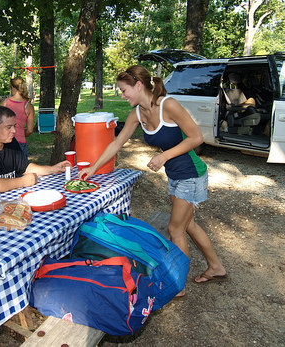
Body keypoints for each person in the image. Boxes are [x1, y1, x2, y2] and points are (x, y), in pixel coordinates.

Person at [78, 65, 226, 295]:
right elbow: (117, 143)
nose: (122, 95)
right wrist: (93, 168)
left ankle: (177, 286)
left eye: (124, 90)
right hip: (175, 175)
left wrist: (164, 156)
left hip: (192, 173)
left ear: (138, 85)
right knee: (188, 225)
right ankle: (216, 266)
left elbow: (197, 137)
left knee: (175, 229)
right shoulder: (136, 113)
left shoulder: (169, 105)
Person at [0, 105, 70, 194]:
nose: (14, 131)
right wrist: (23, 181)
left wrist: (53, 169)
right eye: (8, 127)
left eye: (14, 126)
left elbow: (26, 168)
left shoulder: (10, 141)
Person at [0, 77, 35, 158]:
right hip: (20, 142)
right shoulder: (28, 106)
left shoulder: (4, 103)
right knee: (22, 169)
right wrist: (21, 134)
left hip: (5, 142)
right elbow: (30, 130)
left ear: (12, 87)